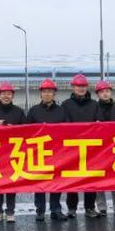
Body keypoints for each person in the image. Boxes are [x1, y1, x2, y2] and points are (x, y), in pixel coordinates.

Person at [26, 79, 68, 222]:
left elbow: (69, 129)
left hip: (57, 152)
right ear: (41, 94)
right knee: (40, 182)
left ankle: (56, 210)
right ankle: (40, 210)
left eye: (50, 91)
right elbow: (25, 131)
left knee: (56, 181)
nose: (47, 94)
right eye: (44, 91)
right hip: (39, 152)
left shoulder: (62, 111)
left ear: (54, 94)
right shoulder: (34, 111)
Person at [0, 82, 26, 222]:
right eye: (3, 93)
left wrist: (16, 129)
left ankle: (10, 211)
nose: (6, 96)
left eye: (9, 93)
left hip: (14, 152)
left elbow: (27, 130)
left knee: (12, 182)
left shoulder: (19, 112)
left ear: (13, 95)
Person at [61, 73, 101, 218]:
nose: (81, 88)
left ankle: (90, 207)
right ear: (73, 87)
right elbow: (63, 125)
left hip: (91, 148)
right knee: (72, 178)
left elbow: (100, 123)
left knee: (90, 179)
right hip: (72, 148)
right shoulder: (66, 105)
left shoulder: (94, 105)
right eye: (78, 86)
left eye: (83, 86)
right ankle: (72, 208)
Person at [94, 80, 115, 217]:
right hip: (99, 148)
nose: (105, 94)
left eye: (107, 91)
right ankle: (102, 207)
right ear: (98, 94)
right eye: (102, 92)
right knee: (99, 176)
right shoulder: (94, 107)